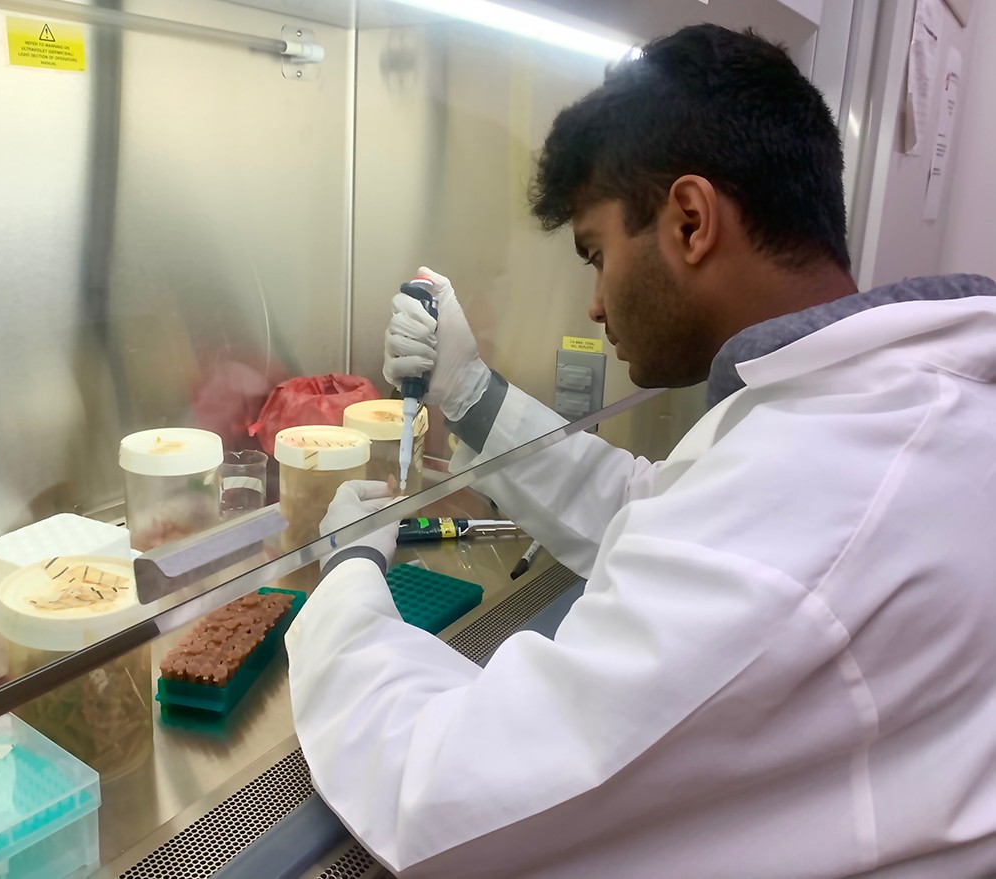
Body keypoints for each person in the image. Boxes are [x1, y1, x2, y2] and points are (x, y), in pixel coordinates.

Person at [285, 24, 996, 878]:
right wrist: (472, 394)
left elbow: (441, 794)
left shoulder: (817, 496)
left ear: (689, 221)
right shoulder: (888, 407)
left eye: (595, 254)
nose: (592, 303)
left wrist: (346, 584)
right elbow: (652, 508)